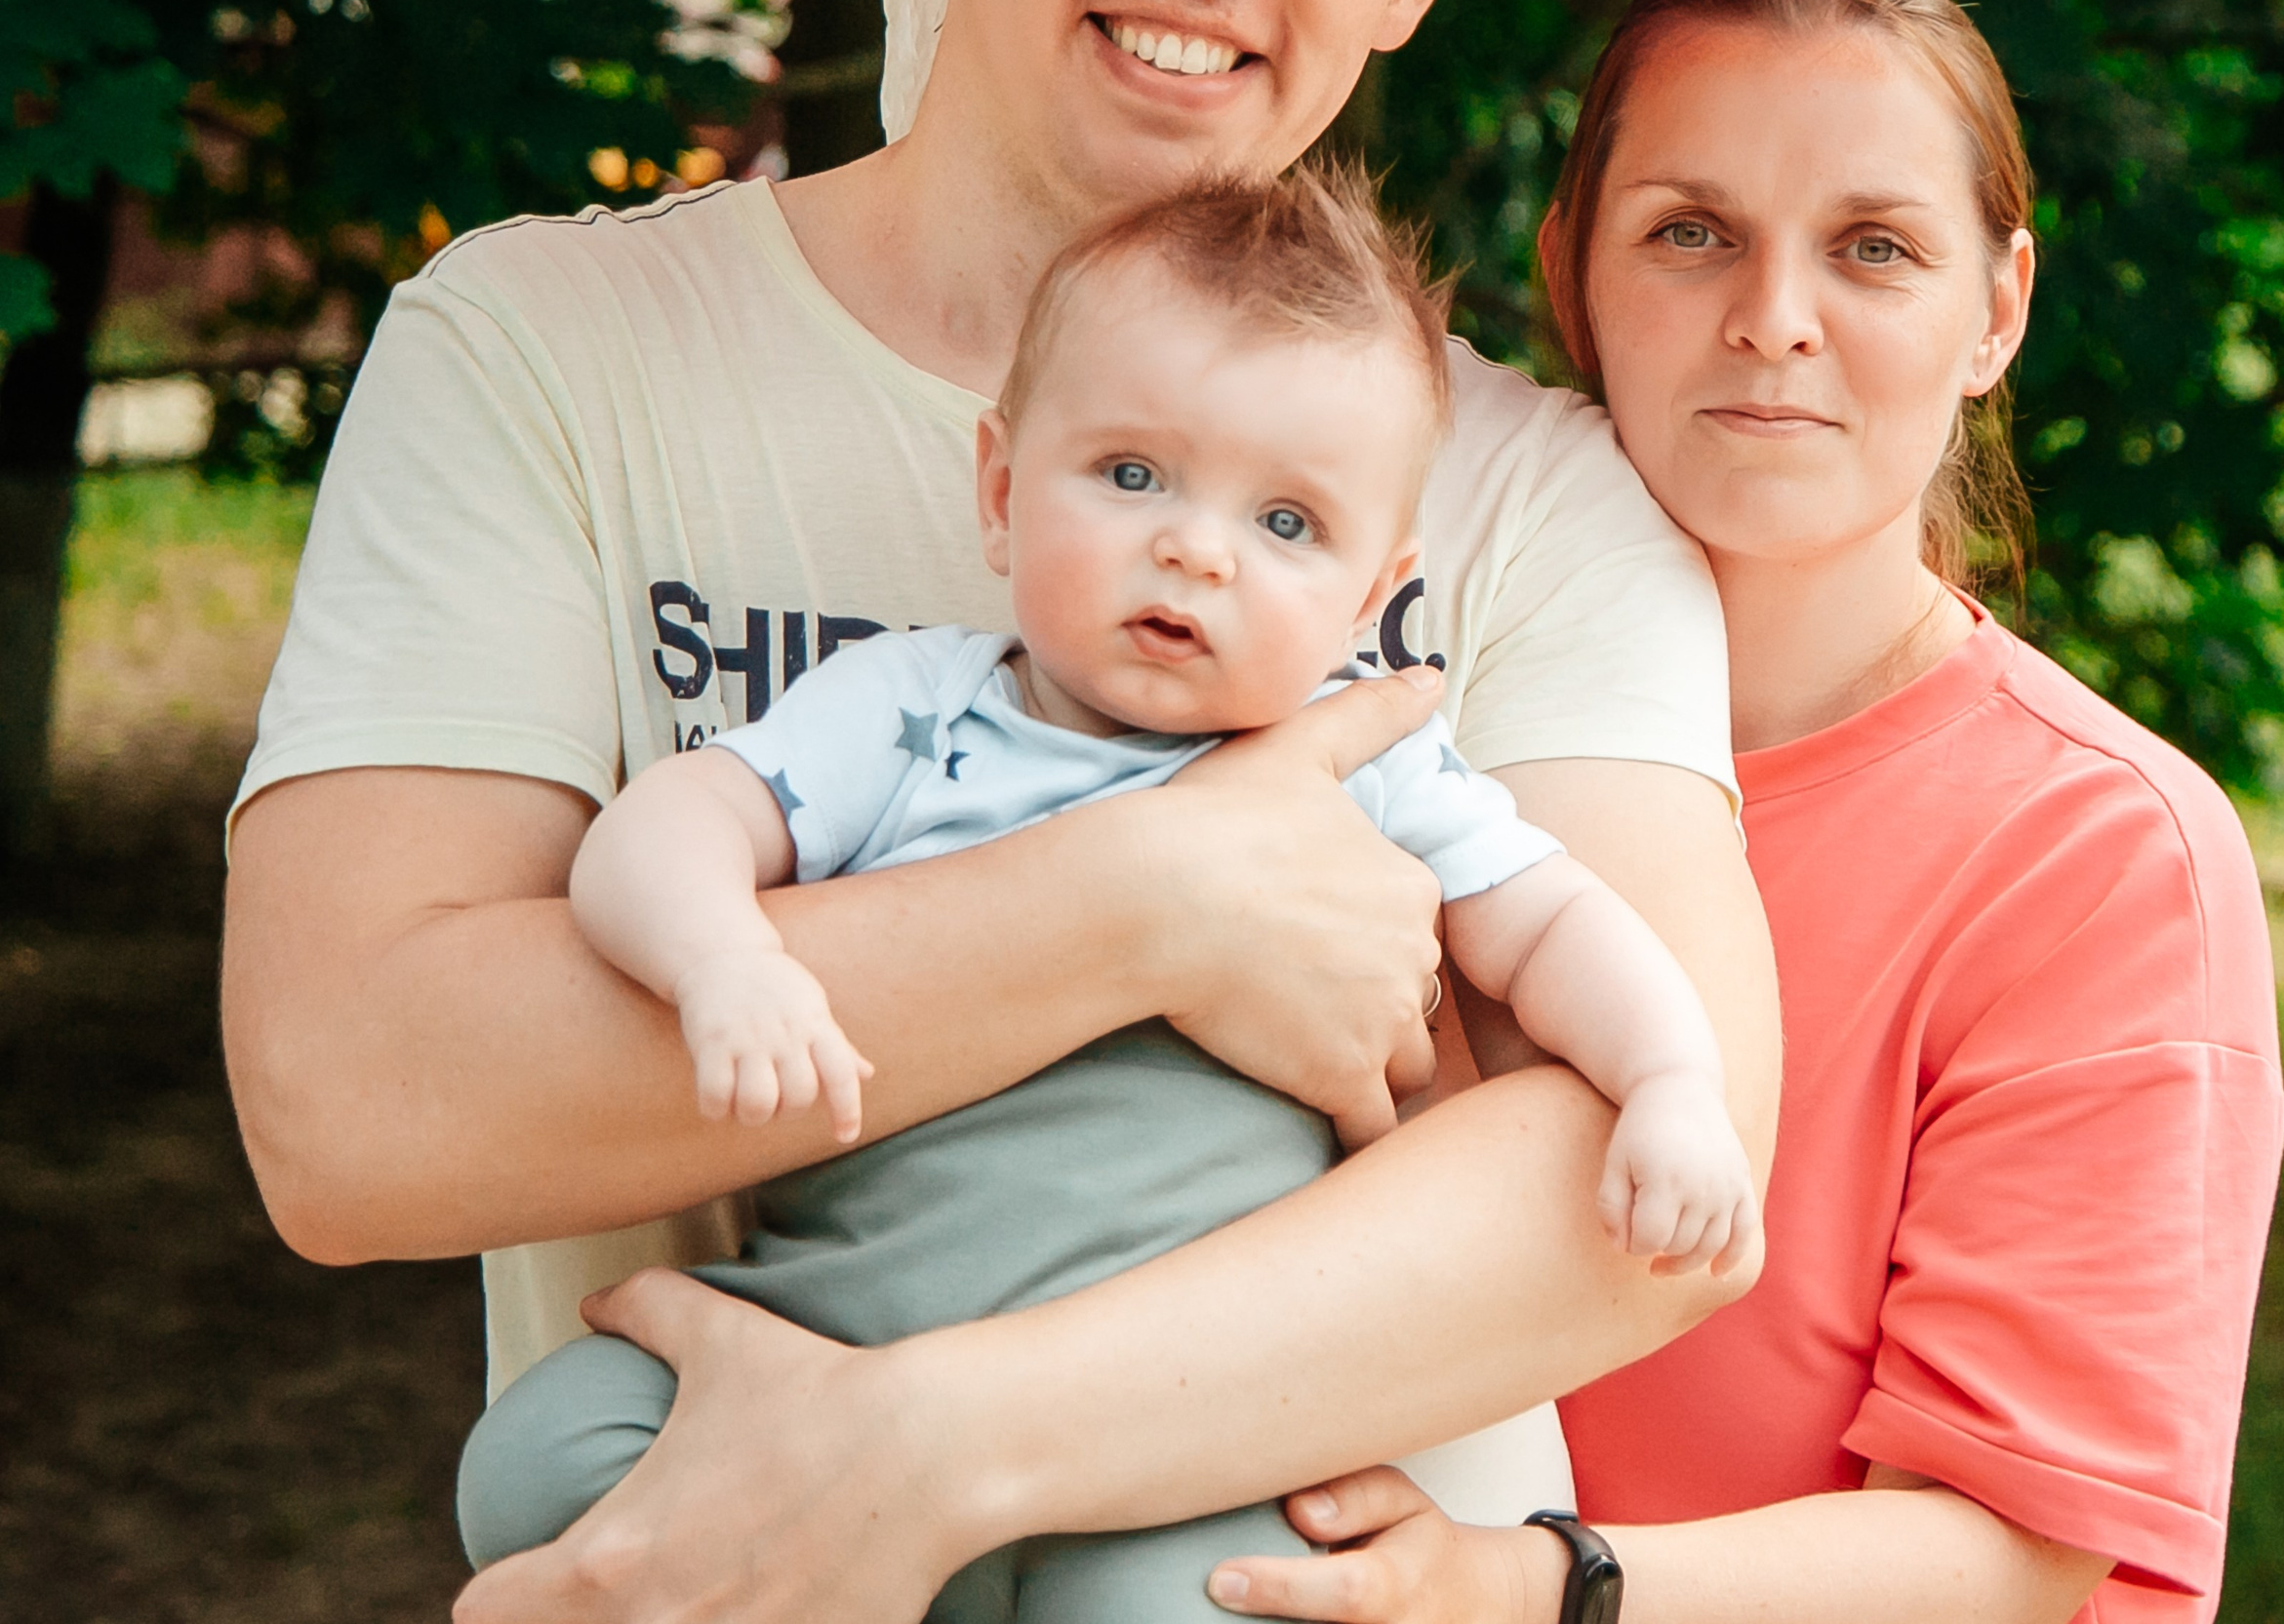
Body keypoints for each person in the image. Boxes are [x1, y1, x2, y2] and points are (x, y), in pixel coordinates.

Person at [222, 0, 1781, 1624]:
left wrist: (929, 1458)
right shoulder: (550, 350)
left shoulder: (1537, 498)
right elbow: (355, 1106)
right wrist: (1152, 901)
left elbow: (1642, 1197)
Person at [457, 167, 1756, 1614]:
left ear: (1370, 594)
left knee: (1184, 1604)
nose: (1195, 546)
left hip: (1168, 1436)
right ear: (1002, 490)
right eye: (1133, 476)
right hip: (825, 1329)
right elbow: (661, 828)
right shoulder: (912, 710)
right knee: (536, 1459)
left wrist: (1672, 1083)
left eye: (1286, 524)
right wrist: (722, 960)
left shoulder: (1374, 767)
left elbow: (1560, 926)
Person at [1203, 0, 2284, 1624]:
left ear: (1998, 309)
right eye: (1691, 233)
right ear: (1572, 275)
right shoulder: (1371, 709)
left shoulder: (2099, 851)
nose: (1774, 322)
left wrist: (1529, 1591)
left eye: (1874, 249)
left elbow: (2011, 1546)